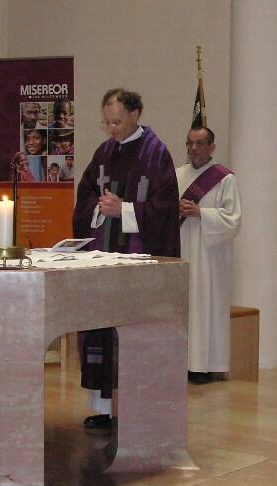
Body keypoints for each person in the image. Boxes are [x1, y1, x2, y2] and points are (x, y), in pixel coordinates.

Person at [72, 88, 180, 428]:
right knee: (101, 332)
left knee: (133, 335)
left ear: (136, 114)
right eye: (107, 122)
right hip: (104, 260)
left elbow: (165, 209)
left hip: (137, 263)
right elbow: (85, 196)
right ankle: (104, 408)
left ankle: (138, 407)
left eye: (117, 121)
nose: (112, 129)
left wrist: (126, 210)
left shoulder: (156, 154)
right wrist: (98, 208)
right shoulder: (103, 152)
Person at [177, 127, 241, 384]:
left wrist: (201, 213)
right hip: (182, 249)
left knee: (205, 305)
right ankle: (182, 362)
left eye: (200, 144)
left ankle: (204, 365)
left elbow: (233, 219)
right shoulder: (178, 175)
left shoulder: (224, 179)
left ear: (212, 147)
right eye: (190, 143)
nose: (194, 149)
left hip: (209, 255)